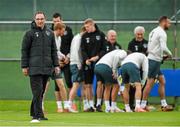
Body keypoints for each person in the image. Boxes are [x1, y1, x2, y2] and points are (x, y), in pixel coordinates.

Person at [21, 11, 59, 123]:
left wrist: (56, 65)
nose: (40, 21)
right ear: (35, 20)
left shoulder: (50, 33)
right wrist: (24, 66)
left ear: (45, 19)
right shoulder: (29, 34)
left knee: (41, 92)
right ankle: (37, 116)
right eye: (38, 19)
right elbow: (24, 51)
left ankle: (36, 113)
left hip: (46, 68)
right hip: (34, 68)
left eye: (41, 18)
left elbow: (54, 51)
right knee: (37, 91)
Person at [141, 16, 173, 111]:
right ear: (164, 22)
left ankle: (164, 105)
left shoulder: (154, 31)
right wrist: (170, 54)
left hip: (154, 59)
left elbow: (153, 47)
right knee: (149, 84)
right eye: (169, 23)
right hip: (153, 61)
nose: (170, 25)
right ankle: (142, 106)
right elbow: (163, 47)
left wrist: (161, 56)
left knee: (162, 81)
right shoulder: (162, 33)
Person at [81, 18, 106, 112]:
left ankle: (99, 104)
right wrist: (86, 59)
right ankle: (91, 105)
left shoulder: (101, 35)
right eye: (85, 27)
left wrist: (97, 57)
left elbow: (104, 49)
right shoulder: (84, 36)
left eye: (87, 27)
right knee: (88, 85)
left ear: (92, 25)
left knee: (100, 83)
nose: (86, 28)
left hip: (99, 62)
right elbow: (82, 50)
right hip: (88, 63)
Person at [50, 12, 74, 112]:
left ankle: (67, 106)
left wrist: (65, 57)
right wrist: (57, 62)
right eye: (54, 21)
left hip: (59, 63)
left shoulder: (60, 37)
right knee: (45, 86)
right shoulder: (49, 34)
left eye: (58, 21)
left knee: (64, 83)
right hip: (50, 64)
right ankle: (40, 106)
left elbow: (57, 51)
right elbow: (51, 51)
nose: (63, 33)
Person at [96, 30, 122, 112]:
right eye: (111, 36)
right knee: (101, 84)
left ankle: (110, 106)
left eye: (114, 36)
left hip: (111, 68)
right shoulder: (103, 45)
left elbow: (118, 61)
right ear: (107, 37)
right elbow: (100, 55)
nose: (113, 37)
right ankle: (99, 104)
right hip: (104, 67)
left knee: (110, 85)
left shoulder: (118, 46)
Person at [127, 26, 148, 110]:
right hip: (134, 68)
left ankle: (142, 105)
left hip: (144, 68)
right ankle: (131, 105)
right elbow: (129, 54)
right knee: (132, 87)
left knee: (143, 85)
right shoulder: (131, 43)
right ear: (135, 34)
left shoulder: (147, 43)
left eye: (141, 34)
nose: (139, 36)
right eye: (138, 34)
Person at [68, 27, 86, 113]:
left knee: (83, 84)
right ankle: (69, 104)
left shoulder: (76, 37)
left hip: (77, 63)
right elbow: (76, 51)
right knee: (75, 84)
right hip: (76, 64)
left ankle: (85, 105)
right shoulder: (78, 38)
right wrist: (78, 63)